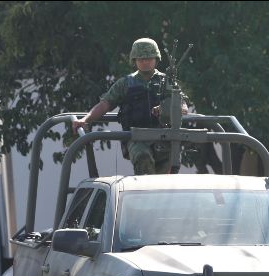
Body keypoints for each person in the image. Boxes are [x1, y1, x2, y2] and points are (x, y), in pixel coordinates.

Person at [72, 37, 187, 175]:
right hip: (137, 138)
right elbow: (105, 104)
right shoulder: (125, 83)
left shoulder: (167, 82)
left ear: (156, 59)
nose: (145, 61)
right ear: (134, 60)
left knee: (166, 183)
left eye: (149, 58)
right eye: (141, 59)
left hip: (164, 139)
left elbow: (183, 107)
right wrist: (85, 119)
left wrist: (166, 109)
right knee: (143, 160)